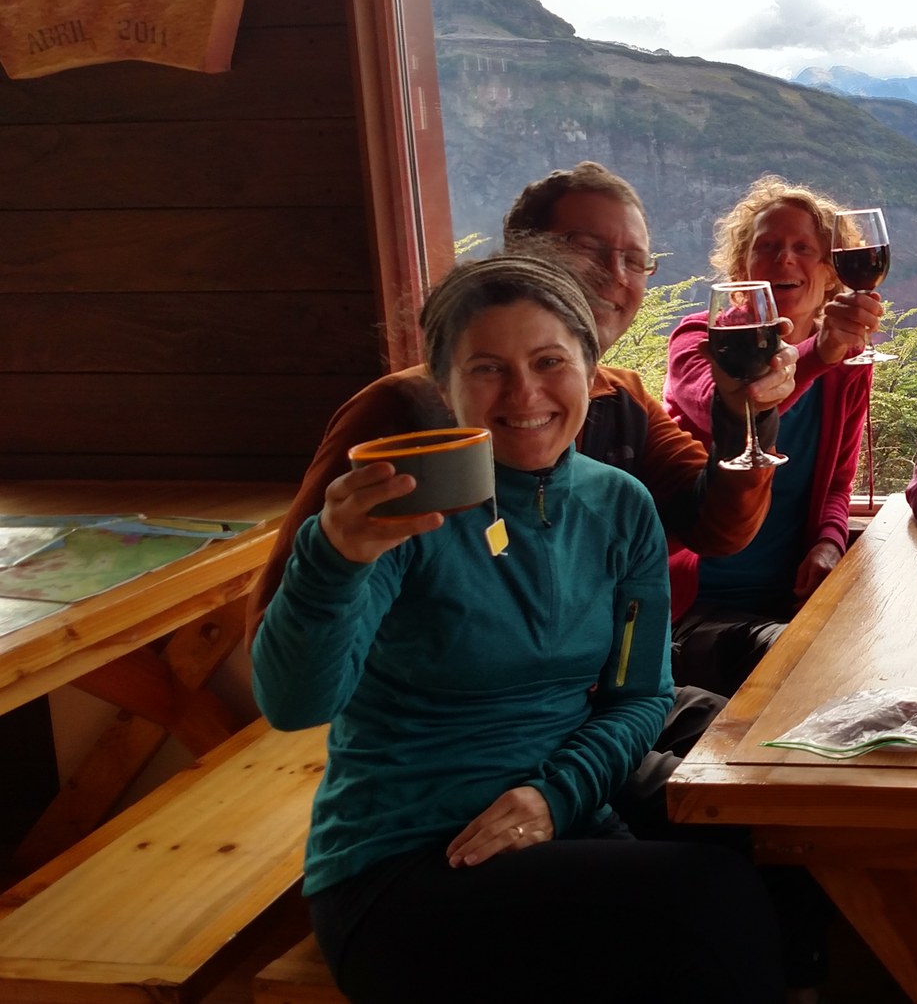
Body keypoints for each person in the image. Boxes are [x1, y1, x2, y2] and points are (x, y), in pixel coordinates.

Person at [253, 256, 782, 1003]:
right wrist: (332, 559)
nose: (525, 393)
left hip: (563, 820)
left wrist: (555, 796)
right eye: (488, 369)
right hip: (406, 861)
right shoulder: (400, 512)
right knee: (707, 899)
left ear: (591, 371)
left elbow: (638, 694)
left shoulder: (619, 506)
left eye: (548, 362)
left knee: (772, 844)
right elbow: (294, 703)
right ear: (445, 387)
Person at [256, 162, 795, 833]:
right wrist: (336, 559)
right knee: (753, 823)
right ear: (525, 253)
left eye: (634, 259)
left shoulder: (619, 400)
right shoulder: (403, 418)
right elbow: (287, 644)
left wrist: (746, 415)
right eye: (590, 248)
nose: (616, 275)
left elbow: (717, 526)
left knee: (781, 754)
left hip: (609, 685)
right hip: (469, 744)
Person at [663, 175, 880, 696]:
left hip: (788, 602)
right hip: (690, 609)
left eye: (804, 248)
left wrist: (829, 543)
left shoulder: (848, 365)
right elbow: (727, 409)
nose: (785, 258)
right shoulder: (699, 339)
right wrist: (820, 354)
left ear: (831, 271)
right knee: (815, 672)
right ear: (742, 268)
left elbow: (838, 484)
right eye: (767, 246)